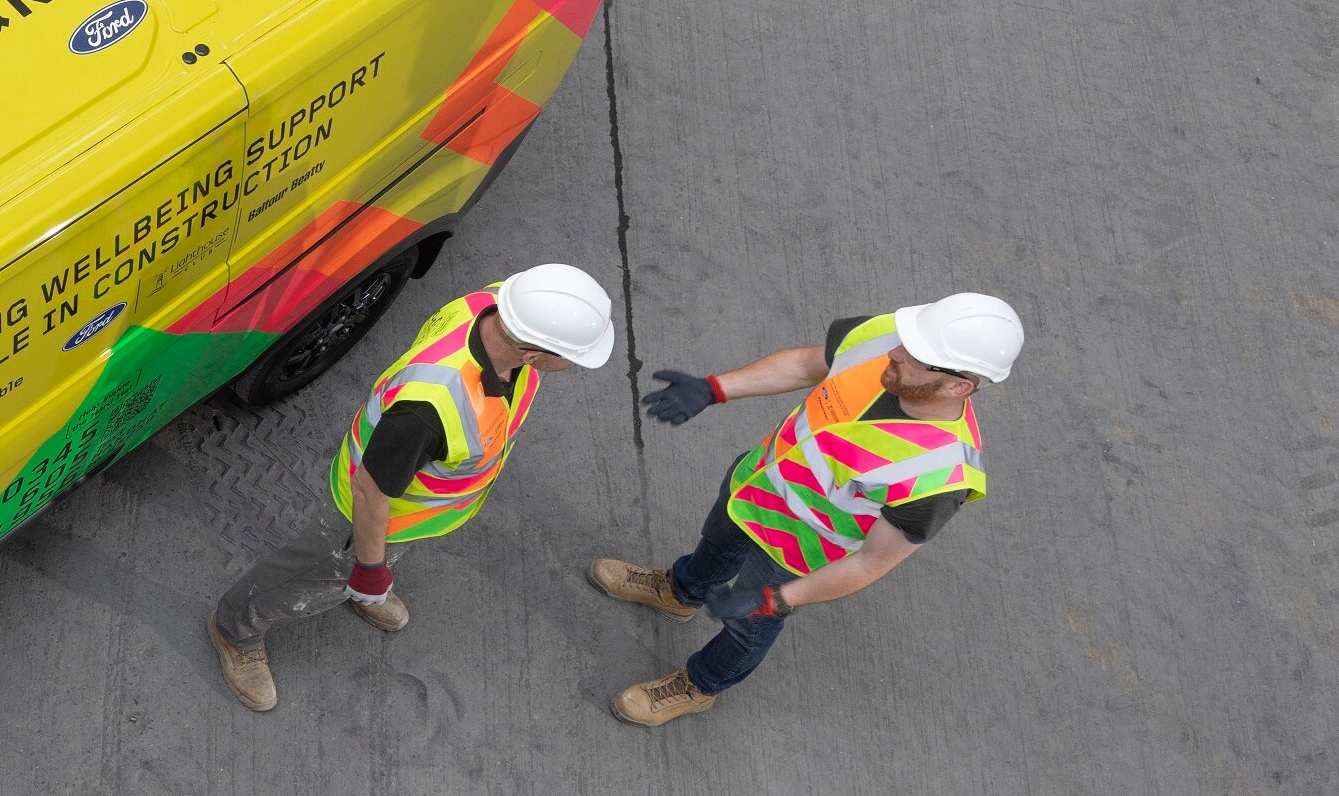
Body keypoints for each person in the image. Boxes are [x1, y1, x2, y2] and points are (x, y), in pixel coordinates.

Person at [590, 293, 1023, 726]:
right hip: (756, 484)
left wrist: (775, 598)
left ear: (957, 385)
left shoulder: (940, 476)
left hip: (796, 555)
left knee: (747, 628)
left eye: (915, 357)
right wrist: (714, 388)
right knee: (715, 546)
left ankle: (699, 685)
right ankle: (679, 591)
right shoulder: (889, 338)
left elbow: (872, 563)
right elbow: (804, 365)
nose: (895, 351)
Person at [209, 263, 617, 711]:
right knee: (318, 571)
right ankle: (236, 629)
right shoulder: (430, 408)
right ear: (534, 355)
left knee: (361, 567)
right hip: (365, 511)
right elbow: (370, 492)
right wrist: (367, 565)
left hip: (411, 505)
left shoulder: (497, 304)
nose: (571, 366)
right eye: (570, 358)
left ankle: (363, 583)